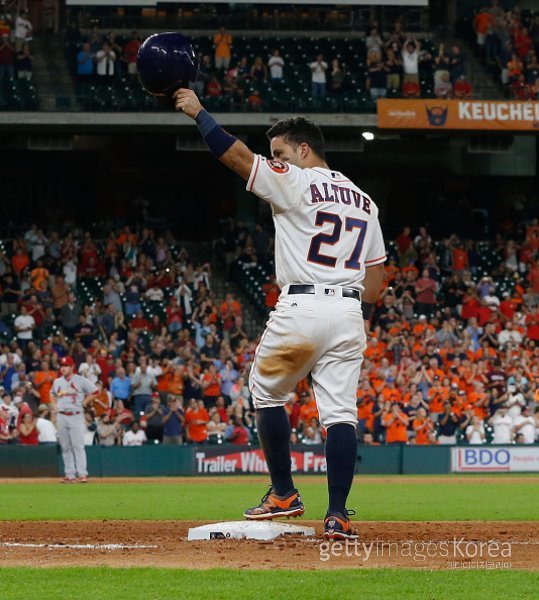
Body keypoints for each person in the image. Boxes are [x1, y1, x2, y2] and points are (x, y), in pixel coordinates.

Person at [174, 88, 386, 539]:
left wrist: (199, 114)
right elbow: (376, 284)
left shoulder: (298, 180)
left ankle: (284, 493)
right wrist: (341, 300)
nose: (279, 161)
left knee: (266, 392)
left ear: (304, 149)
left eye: (282, 153)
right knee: (340, 414)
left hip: (301, 304)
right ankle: (338, 515)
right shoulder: (366, 202)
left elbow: (236, 158)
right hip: (349, 312)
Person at [51, 356, 98, 483]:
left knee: (78, 446)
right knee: (65, 447)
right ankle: (70, 474)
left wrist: (86, 401)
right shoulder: (57, 382)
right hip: (62, 416)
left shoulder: (81, 380)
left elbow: (95, 391)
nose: (63, 368)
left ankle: (82, 474)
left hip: (76, 415)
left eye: (66, 366)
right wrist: (54, 405)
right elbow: (52, 394)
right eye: (62, 366)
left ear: (72, 367)